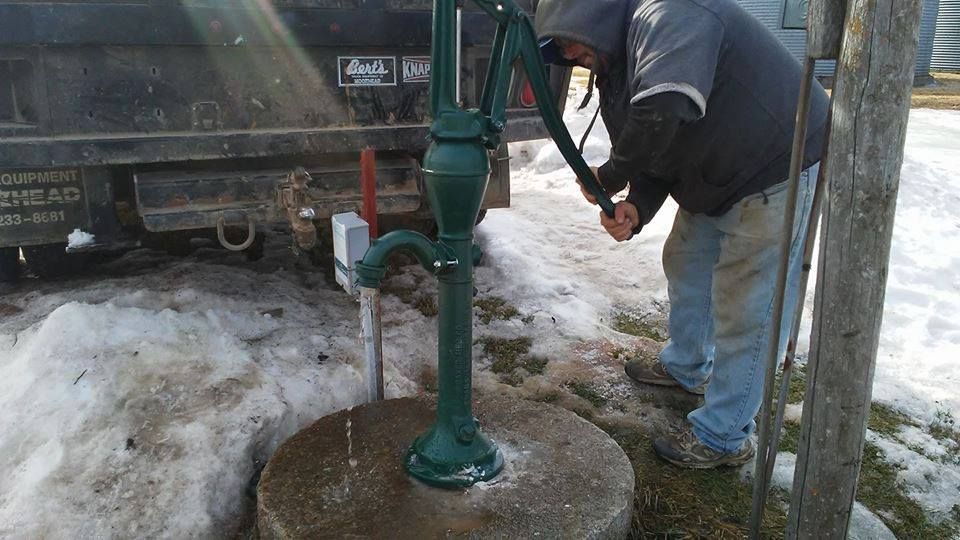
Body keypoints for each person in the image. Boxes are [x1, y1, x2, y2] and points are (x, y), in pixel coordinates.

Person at [536, 0, 829, 468]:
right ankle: (687, 366)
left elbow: (664, 108)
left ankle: (725, 435)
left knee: (748, 305)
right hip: (715, 168)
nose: (569, 54)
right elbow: (662, 142)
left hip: (776, 163)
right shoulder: (619, 54)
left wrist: (611, 176)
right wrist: (638, 205)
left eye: (568, 40)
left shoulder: (672, 13)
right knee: (687, 262)